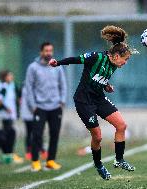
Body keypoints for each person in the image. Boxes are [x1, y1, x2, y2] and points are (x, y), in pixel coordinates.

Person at [49, 25, 135, 180]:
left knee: (121, 125)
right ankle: (98, 164)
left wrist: (106, 86)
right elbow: (76, 59)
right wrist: (58, 63)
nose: (125, 62)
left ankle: (119, 160)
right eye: (125, 59)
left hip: (98, 98)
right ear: (116, 56)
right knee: (98, 136)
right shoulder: (96, 57)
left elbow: (99, 78)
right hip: (84, 100)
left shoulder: (113, 65)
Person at [25, 42, 67, 171]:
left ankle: (50, 161)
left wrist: (62, 101)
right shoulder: (33, 67)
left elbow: (63, 85)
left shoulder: (57, 67)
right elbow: (29, 87)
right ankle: (35, 161)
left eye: (50, 50)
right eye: (46, 51)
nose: (48, 53)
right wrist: (33, 105)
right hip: (40, 107)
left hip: (55, 107)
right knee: (37, 134)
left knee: (54, 134)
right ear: (41, 52)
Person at [0, 70, 23, 164]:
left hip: (9, 114)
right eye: (10, 76)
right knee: (9, 133)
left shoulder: (11, 85)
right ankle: (8, 154)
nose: (12, 77)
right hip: (4, 115)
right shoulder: (2, 87)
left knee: (10, 133)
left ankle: (8, 154)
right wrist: (6, 108)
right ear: (5, 77)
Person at [20, 83, 48, 161]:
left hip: (36, 113)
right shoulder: (27, 87)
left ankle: (41, 150)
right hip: (30, 113)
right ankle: (29, 152)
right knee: (30, 133)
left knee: (39, 132)